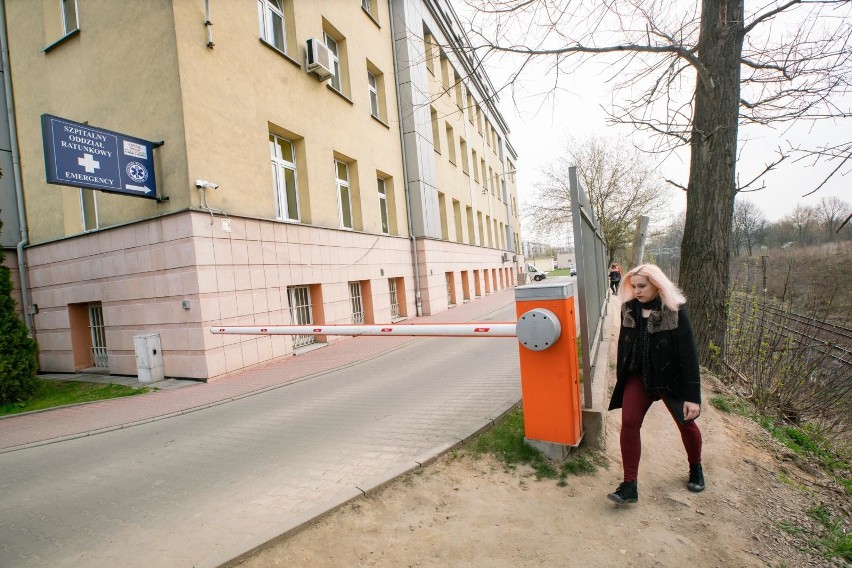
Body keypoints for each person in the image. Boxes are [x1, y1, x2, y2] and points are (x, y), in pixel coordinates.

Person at [607, 263, 704, 505]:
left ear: (656, 285)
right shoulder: (628, 309)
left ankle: (696, 467)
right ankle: (630, 485)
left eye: (642, 286)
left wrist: (693, 397)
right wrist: (624, 379)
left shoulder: (674, 310)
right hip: (638, 375)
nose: (637, 291)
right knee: (629, 422)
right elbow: (623, 346)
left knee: (687, 422)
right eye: (634, 286)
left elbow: (689, 355)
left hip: (670, 377)